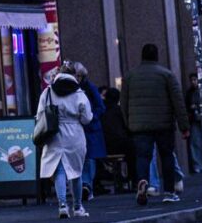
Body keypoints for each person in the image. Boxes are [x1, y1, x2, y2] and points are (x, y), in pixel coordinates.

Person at [121, 44, 189, 205]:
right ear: (157, 56)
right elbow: (178, 102)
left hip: (139, 126)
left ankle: (143, 181)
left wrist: (128, 123)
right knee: (166, 156)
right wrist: (184, 126)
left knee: (143, 157)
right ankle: (169, 192)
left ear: (142, 56)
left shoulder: (130, 76)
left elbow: (123, 103)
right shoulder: (166, 75)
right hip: (164, 124)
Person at [37, 62, 92, 218]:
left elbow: (40, 114)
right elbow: (87, 118)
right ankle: (78, 207)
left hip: (54, 133)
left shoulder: (48, 92)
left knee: (59, 170)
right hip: (75, 134)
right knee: (76, 171)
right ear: (74, 75)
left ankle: (62, 205)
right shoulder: (79, 93)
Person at [74, 62, 105, 201]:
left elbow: (100, 106)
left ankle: (87, 185)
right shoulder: (73, 88)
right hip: (81, 128)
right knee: (83, 158)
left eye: (78, 76)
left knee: (89, 158)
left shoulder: (89, 87)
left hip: (90, 128)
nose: (76, 78)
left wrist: (92, 117)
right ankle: (85, 186)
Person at [100, 88, 136, 184]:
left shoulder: (102, 110)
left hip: (104, 146)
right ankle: (132, 179)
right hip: (121, 145)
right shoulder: (120, 111)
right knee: (133, 153)